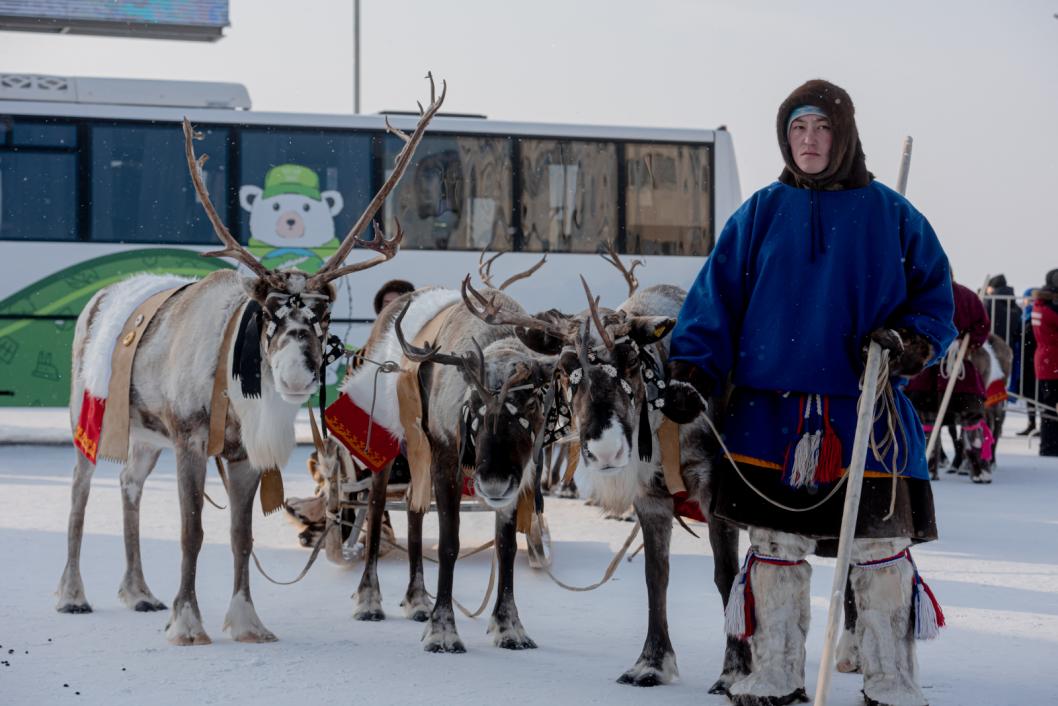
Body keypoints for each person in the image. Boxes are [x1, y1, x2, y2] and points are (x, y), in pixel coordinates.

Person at [663, 80, 955, 706]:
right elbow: (715, 300)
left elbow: (936, 298)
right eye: (798, 129)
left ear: (844, 134)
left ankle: (890, 678)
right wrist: (693, 371)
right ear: (784, 137)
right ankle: (774, 672)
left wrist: (909, 341)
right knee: (774, 550)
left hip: (868, 411)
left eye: (821, 128)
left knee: (880, 551)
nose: (809, 141)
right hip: (772, 417)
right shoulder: (760, 213)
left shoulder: (894, 215)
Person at [906, 277, 992, 482]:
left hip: (955, 368)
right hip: (928, 368)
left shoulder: (923, 293)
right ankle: (931, 465)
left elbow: (981, 327)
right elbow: (982, 325)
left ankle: (971, 465)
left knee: (966, 418)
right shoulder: (964, 295)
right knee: (930, 419)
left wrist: (963, 342)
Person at [1032, 269, 1058, 456]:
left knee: (1048, 406)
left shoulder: (1038, 307)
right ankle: (1049, 446)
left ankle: (1047, 444)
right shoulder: (1051, 312)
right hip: (1053, 361)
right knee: (1051, 407)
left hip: (1044, 360)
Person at [1017, 286, 1041, 435]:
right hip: (1027, 360)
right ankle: (1031, 422)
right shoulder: (1023, 316)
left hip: (1033, 360)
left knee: (1036, 393)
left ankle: (1038, 423)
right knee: (1029, 394)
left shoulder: (1033, 317)